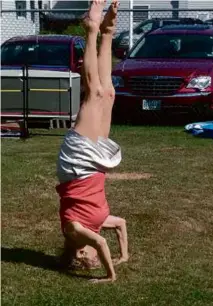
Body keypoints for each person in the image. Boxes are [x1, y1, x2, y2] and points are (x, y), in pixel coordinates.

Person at [56, 0, 129, 283]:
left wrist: (109, 277)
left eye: (81, 258)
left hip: (76, 167)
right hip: (94, 169)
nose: (86, 259)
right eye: (90, 261)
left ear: (76, 251)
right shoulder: (97, 225)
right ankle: (108, 33)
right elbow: (120, 225)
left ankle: (91, 29)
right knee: (108, 94)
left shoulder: (74, 231)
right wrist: (125, 256)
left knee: (94, 94)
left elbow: (99, 244)